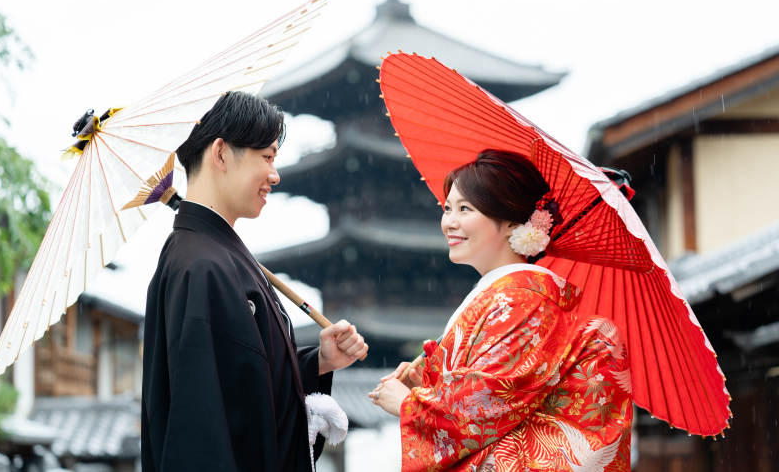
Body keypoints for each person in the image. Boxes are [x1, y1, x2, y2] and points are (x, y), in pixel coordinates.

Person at [141, 91, 369, 472]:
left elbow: (242, 377)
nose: (275, 175)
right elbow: (199, 422)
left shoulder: (212, 254)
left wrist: (318, 362)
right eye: (267, 157)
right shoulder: (200, 265)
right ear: (221, 154)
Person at [369, 150, 632, 472]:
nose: (449, 222)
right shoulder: (504, 296)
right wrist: (424, 384)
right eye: (447, 208)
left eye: (465, 209)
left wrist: (411, 405)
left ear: (512, 224)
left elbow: (489, 403)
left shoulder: (522, 302)